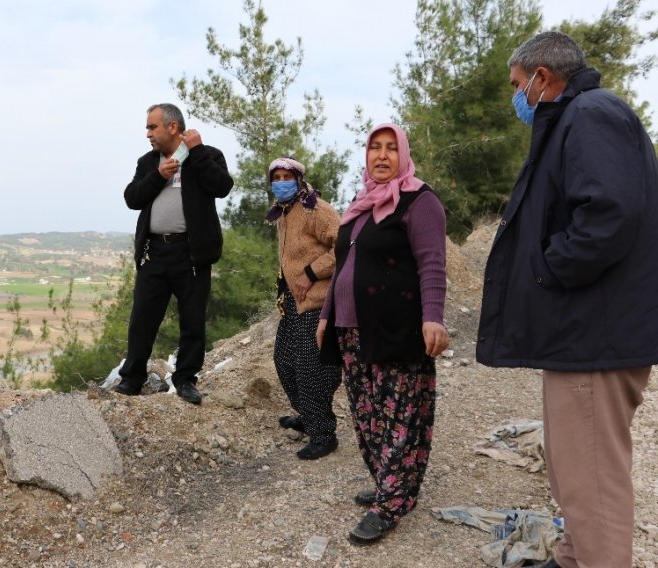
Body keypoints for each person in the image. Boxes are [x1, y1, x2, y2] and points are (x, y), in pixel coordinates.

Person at [477, 31, 658, 568]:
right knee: (573, 468)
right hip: (583, 334)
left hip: (595, 335)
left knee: (593, 479)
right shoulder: (577, 120)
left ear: (542, 77)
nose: (517, 97)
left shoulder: (591, 114)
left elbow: (608, 214)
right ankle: (573, 558)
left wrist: (549, 267)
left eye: (518, 85)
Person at [317, 123, 449, 544]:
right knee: (368, 415)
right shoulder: (359, 204)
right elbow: (342, 269)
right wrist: (325, 316)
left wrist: (433, 317)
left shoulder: (419, 201)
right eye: (375, 148)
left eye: (392, 149)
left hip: (398, 327)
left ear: (403, 154)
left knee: (399, 417)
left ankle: (390, 504)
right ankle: (389, 485)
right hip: (352, 329)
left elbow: (432, 263)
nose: (382, 156)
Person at [113, 103, 233, 405]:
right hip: (155, 252)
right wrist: (158, 175)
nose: (148, 134)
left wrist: (199, 152)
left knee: (192, 320)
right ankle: (132, 378)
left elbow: (222, 187)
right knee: (142, 319)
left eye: (152, 127)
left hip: (191, 253)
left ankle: (186, 379)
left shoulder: (207, 154)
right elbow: (132, 198)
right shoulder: (148, 161)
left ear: (173, 127)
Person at [267, 156, 342, 460]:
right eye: (277, 177)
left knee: (312, 369)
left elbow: (345, 245)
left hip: (318, 300)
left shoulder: (316, 210)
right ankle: (308, 415)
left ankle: (324, 434)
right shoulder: (284, 212)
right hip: (293, 302)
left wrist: (312, 272)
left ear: (298, 179)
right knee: (284, 361)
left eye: (288, 176)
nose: (282, 182)